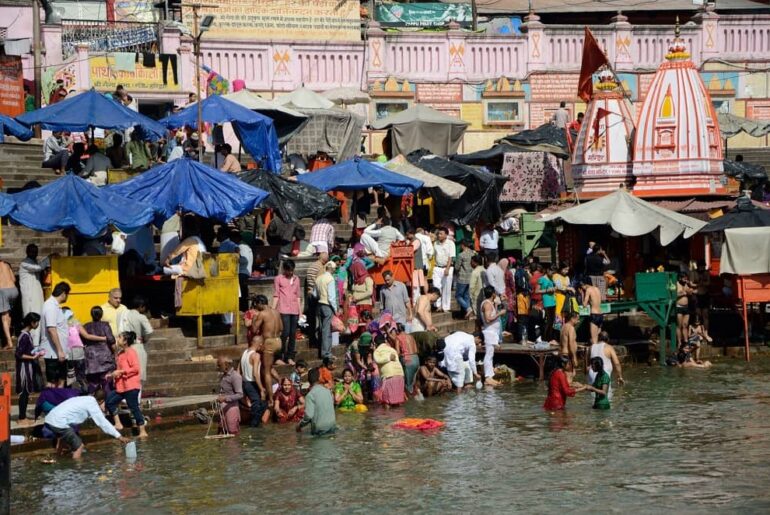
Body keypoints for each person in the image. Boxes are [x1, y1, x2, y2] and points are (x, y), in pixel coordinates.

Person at [45, 389, 131, 459]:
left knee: (64, 437)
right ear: (101, 401)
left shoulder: (85, 398)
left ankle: (58, 458)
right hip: (58, 422)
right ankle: (77, 469)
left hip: (50, 419)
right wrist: (119, 436)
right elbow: (103, 423)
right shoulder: (92, 404)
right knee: (79, 446)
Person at [105, 331, 148, 438]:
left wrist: (120, 372)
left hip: (131, 386)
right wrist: (112, 375)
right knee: (110, 401)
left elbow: (136, 369)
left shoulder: (131, 352)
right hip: (121, 386)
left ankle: (142, 431)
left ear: (125, 342)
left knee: (133, 407)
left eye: (119, 337)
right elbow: (119, 369)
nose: (117, 339)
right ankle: (118, 424)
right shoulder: (120, 353)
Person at [248, 295, 283, 403]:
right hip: (278, 341)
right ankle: (280, 381)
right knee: (267, 366)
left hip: (269, 342)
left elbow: (254, 330)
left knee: (266, 371)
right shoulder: (276, 312)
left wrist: (254, 318)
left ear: (260, 303)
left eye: (256, 305)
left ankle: (271, 399)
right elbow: (282, 328)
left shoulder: (262, 314)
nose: (256, 307)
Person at [15, 313, 44, 426]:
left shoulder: (27, 335)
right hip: (24, 369)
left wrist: (36, 352)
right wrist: (33, 357)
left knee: (26, 393)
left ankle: (23, 417)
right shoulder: (24, 336)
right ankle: (21, 417)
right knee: (24, 393)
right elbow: (19, 354)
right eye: (36, 322)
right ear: (32, 323)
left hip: (28, 367)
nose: (37, 324)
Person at [41, 282, 71, 387]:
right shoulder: (50, 306)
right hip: (54, 353)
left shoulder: (55, 306)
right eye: (68, 294)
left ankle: (59, 402)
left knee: (61, 381)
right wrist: (59, 350)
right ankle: (53, 403)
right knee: (52, 383)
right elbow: (51, 329)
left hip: (59, 353)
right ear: (63, 294)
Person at [122, 295, 153, 390]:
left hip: (123, 346)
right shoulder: (141, 317)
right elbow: (150, 331)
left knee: (126, 372)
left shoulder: (123, 314)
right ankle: (136, 399)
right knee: (138, 374)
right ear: (141, 306)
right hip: (137, 346)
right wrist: (145, 339)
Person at [273, 260, 301, 366]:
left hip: (294, 310)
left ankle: (289, 356)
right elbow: (276, 295)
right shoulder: (278, 279)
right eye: (288, 270)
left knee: (293, 334)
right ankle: (279, 356)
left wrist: (300, 312)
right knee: (285, 333)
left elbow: (298, 296)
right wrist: (273, 309)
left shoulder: (296, 279)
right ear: (284, 269)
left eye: (292, 270)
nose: (290, 272)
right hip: (283, 309)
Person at [19, 244, 48, 345]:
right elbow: (38, 268)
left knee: (39, 317)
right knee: (32, 318)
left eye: (35, 251)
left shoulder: (33, 262)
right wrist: (49, 258)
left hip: (37, 295)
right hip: (30, 297)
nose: (34, 253)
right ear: (27, 252)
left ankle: (37, 342)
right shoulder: (24, 263)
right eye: (32, 251)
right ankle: (32, 344)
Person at [82, 306, 115, 395]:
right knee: (106, 382)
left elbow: (82, 340)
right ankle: (108, 403)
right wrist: (115, 353)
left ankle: (92, 401)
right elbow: (111, 340)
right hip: (104, 357)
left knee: (93, 383)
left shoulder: (86, 326)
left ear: (91, 315)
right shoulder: (105, 325)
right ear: (101, 314)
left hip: (90, 358)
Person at [297, 367, 336, 436]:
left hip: (320, 430)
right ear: (319, 378)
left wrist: (299, 425)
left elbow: (308, 416)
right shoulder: (327, 391)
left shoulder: (310, 395)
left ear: (308, 381)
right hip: (332, 426)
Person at [240, 335, 268, 427]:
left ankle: (255, 422)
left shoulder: (244, 353)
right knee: (258, 402)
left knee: (263, 403)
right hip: (251, 383)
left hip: (244, 383)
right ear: (260, 344)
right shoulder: (256, 355)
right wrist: (261, 389)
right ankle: (253, 426)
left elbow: (238, 370)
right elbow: (256, 374)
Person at [480, 286, 504, 386]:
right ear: (493, 294)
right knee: (489, 355)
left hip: (492, 333)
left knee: (491, 355)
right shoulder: (487, 304)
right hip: (489, 333)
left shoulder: (490, 303)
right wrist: (500, 314)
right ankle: (487, 378)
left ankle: (490, 375)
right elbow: (488, 319)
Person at [374, 333, 405, 406]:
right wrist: (389, 357)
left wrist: (388, 358)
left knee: (386, 401)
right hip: (400, 375)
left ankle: (387, 417)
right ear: (384, 341)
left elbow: (378, 360)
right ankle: (400, 416)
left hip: (389, 376)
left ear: (375, 343)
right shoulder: (392, 349)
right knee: (398, 400)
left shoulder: (377, 351)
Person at [315, 261, 338, 360]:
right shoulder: (330, 279)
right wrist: (335, 309)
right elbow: (331, 297)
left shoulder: (319, 278)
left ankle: (322, 351)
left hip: (319, 304)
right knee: (326, 331)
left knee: (321, 329)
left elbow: (314, 294)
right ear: (332, 269)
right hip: (327, 305)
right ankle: (326, 353)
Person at [214, 356, 243, 435]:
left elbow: (240, 394)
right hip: (223, 408)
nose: (218, 367)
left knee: (232, 432)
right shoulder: (223, 376)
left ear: (226, 365)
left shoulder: (235, 376)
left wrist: (225, 398)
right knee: (221, 431)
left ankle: (234, 447)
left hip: (232, 408)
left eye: (219, 365)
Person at [432, 227, 455, 312]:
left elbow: (451, 257)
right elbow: (432, 255)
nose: (439, 235)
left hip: (447, 267)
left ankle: (445, 307)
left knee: (446, 288)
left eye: (441, 234)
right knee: (436, 285)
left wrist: (447, 269)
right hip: (437, 267)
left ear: (446, 235)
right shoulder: (435, 243)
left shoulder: (450, 243)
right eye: (438, 233)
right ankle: (437, 305)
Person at [0, 259, 18, 348]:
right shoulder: (7, 264)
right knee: (8, 315)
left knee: (4, 317)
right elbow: (14, 279)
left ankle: (9, 342)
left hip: (3, 291)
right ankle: (8, 337)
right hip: (14, 290)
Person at [454, 240, 474, 319]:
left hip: (462, 278)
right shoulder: (473, 253)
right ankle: (468, 314)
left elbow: (457, 267)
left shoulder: (461, 255)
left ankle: (468, 308)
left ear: (462, 245)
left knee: (458, 296)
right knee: (466, 296)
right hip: (470, 277)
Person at [537, 267, 557, 341]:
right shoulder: (542, 279)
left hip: (553, 301)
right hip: (546, 302)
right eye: (552, 272)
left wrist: (554, 288)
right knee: (547, 321)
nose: (553, 274)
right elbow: (537, 291)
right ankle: (545, 339)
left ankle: (550, 338)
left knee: (552, 322)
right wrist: (547, 290)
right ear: (548, 270)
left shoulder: (551, 279)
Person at [676, 272, 694, 348]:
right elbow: (674, 295)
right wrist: (683, 293)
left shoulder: (686, 284)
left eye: (686, 278)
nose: (685, 280)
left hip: (686, 307)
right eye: (684, 278)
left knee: (685, 325)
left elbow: (690, 293)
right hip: (679, 306)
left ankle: (686, 341)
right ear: (680, 278)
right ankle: (679, 342)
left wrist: (689, 290)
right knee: (679, 325)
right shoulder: (676, 284)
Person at [559, 311, 580, 377]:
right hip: (568, 355)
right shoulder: (571, 328)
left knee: (566, 375)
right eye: (577, 319)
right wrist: (574, 357)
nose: (578, 321)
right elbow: (570, 343)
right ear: (572, 318)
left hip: (563, 354)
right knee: (570, 375)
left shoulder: (563, 327)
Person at [691, 260, 711, 332]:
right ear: (698, 266)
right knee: (698, 314)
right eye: (701, 266)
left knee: (705, 315)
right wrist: (700, 284)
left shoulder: (706, 273)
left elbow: (708, 282)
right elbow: (691, 283)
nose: (703, 268)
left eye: (704, 266)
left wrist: (700, 284)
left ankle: (706, 331)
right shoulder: (694, 272)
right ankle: (698, 332)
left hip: (704, 294)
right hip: (697, 295)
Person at [469, 254, 485, 319]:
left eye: (471, 262)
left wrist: (470, 296)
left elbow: (471, 287)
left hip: (476, 297)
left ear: (475, 263)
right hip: (484, 295)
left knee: (478, 316)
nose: (470, 263)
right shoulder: (484, 270)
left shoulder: (474, 272)